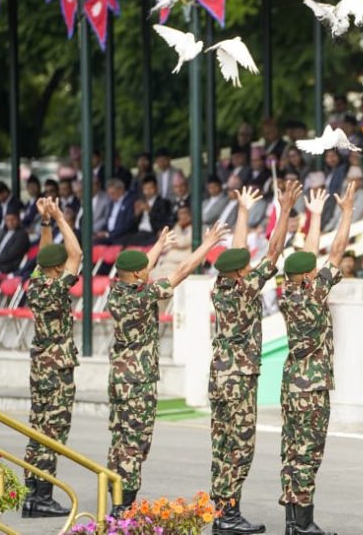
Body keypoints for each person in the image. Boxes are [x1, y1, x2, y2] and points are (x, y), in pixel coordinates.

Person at [107, 221, 228, 515]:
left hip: (120, 378)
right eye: (144, 271)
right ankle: (124, 509)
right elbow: (182, 270)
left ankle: (116, 503)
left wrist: (160, 245)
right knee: (135, 445)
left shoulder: (117, 292)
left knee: (120, 441)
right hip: (138, 381)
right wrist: (209, 243)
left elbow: (140, 268)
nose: (149, 272)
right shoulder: (142, 295)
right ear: (137, 275)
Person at [209, 183, 300, 534]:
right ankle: (229, 516)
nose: (249, 269)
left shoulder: (221, 286)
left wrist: (244, 211)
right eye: (245, 267)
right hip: (238, 378)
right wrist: (287, 209)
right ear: (240, 274)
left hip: (218, 375)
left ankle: (221, 512)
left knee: (221, 445)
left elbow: (235, 253)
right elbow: (274, 251)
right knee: (239, 448)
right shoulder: (246, 289)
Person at [277, 182, 356, 535]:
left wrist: (314, 214)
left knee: (292, 452)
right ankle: (303, 525)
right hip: (312, 387)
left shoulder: (289, 294)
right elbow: (337, 251)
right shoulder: (313, 294)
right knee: (308, 454)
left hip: (292, 382)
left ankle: (293, 521)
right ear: (309, 277)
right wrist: (347, 212)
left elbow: (306, 259)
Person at [20, 198, 82, 519]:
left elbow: (47, 254)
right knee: (53, 431)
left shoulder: (36, 283)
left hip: (39, 363)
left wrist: (44, 223)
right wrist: (59, 218)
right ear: (58, 269)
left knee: (37, 426)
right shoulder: (57, 287)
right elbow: (78, 254)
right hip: (57, 367)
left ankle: (31, 495)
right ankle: (43, 497)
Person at [0, 203, 28, 276]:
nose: (10, 222)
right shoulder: (5, 232)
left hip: (4, 266)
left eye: (13, 219)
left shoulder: (22, 235)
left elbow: (11, 254)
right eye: (8, 220)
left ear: (19, 220)